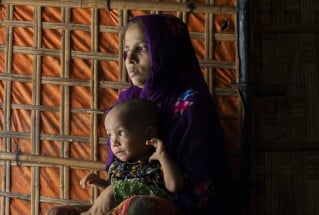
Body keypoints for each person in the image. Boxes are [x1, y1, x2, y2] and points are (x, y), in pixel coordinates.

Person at [96, 14, 234, 214]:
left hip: (181, 205)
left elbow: (199, 181)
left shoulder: (191, 105)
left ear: (166, 51)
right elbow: (118, 164)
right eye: (126, 51)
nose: (129, 59)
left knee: (138, 208)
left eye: (142, 49)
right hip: (129, 198)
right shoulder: (127, 101)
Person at [79, 98, 185, 215]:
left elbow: (175, 186)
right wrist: (100, 183)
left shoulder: (156, 160)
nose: (114, 143)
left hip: (150, 207)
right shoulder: (117, 167)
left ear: (149, 133)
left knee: (114, 192)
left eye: (121, 133)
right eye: (110, 135)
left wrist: (163, 156)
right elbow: (115, 197)